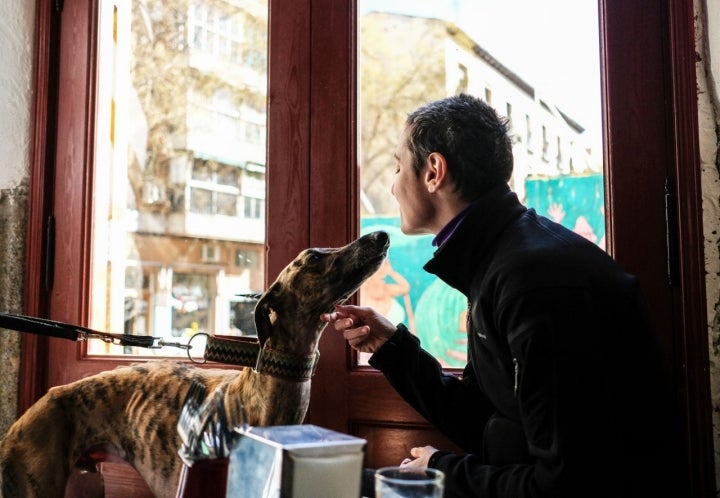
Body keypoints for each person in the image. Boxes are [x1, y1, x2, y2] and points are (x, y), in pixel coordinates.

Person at [321, 94, 682, 497]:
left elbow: (569, 483)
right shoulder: (503, 259)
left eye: (398, 166)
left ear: (433, 171)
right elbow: (488, 418)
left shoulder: (535, 284)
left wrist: (443, 472)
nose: (392, 185)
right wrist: (391, 347)